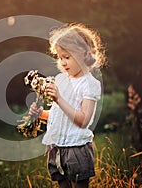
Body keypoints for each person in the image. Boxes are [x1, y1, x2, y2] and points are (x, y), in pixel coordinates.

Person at [29, 23, 106, 188]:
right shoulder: (61, 79)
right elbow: (60, 114)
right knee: (62, 184)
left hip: (76, 147)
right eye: (59, 57)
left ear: (85, 55)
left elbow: (83, 120)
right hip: (57, 146)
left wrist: (59, 99)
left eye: (67, 57)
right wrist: (41, 114)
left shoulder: (89, 84)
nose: (62, 62)